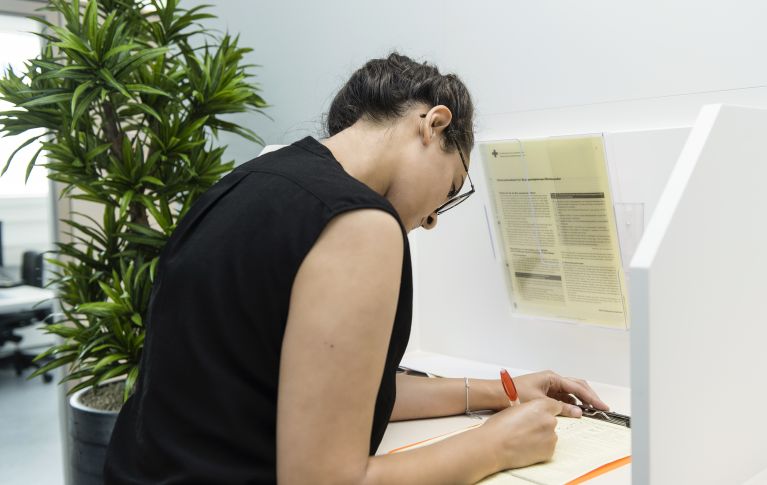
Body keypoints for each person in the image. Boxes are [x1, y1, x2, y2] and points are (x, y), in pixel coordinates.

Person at [104, 53, 610, 484]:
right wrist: (497, 446)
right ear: (434, 125)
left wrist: (496, 393)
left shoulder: (249, 183)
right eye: (451, 188)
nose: (433, 219)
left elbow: (321, 394)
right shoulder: (360, 223)